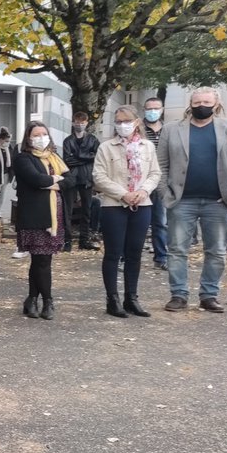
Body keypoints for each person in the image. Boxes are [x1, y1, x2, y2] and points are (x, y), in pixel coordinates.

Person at [156, 86, 227, 314]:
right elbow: (161, 165)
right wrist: (165, 193)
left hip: (219, 201)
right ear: (190, 104)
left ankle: (209, 295)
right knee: (177, 250)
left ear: (216, 104)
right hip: (181, 201)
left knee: (216, 251)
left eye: (206, 102)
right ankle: (179, 294)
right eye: (196, 102)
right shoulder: (171, 129)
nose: (200, 106)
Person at [92, 105, 161, 318]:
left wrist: (143, 190)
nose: (122, 125)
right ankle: (112, 298)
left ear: (136, 122)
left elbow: (155, 173)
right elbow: (99, 176)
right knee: (113, 253)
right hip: (114, 205)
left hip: (142, 204)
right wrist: (123, 193)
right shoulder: (107, 147)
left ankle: (131, 297)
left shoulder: (147, 147)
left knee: (134, 253)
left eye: (126, 121)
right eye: (118, 121)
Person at [16, 122, 68, 320]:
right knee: (42, 259)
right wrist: (55, 181)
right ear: (28, 138)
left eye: (44, 134)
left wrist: (54, 182)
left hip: (56, 216)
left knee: (42, 260)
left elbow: (70, 179)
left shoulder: (54, 157)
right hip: (35, 216)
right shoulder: (23, 158)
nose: (41, 138)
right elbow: (36, 179)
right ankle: (47, 300)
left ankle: (31, 300)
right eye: (36, 134)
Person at [61, 111, 100, 251]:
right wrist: (86, 157)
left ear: (87, 123)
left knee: (87, 210)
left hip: (86, 178)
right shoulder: (67, 140)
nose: (80, 125)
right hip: (71, 178)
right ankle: (67, 241)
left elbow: (97, 156)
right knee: (68, 210)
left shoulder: (93, 139)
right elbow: (67, 160)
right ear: (73, 123)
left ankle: (84, 240)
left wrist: (77, 155)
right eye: (77, 122)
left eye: (82, 122)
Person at [142, 97, 169, 269]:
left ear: (162, 109)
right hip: (141, 181)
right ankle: (127, 257)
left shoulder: (169, 130)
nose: (152, 111)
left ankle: (161, 257)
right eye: (149, 108)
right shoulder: (139, 129)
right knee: (137, 222)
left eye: (156, 108)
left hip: (162, 181)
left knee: (160, 221)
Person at [0, 127, 15, 220]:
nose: (7, 142)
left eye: (8, 141)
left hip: (6, 173)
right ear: (1, 139)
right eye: (6, 140)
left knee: (3, 193)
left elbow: (12, 159)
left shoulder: (8, 147)